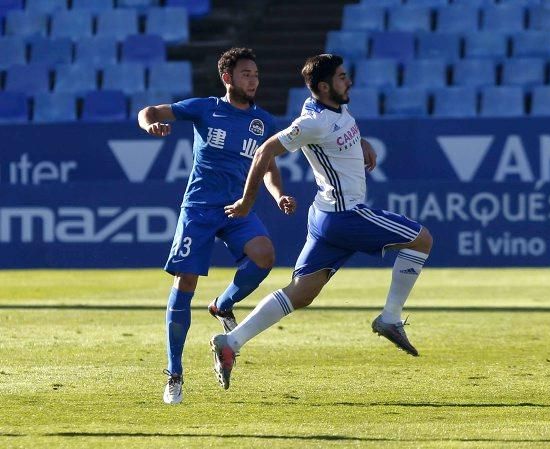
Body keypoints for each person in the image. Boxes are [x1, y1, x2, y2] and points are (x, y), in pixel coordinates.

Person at [208, 53, 434, 390]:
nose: (349, 81)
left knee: (301, 294)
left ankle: (231, 342)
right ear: (325, 86)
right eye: (343, 77)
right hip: (346, 214)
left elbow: (340, 129)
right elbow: (264, 152)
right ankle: (389, 319)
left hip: (325, 217)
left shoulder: (332, 106)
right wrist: (246, 200)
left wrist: (362, 142)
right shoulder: (311, 123)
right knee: (422, 239)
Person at [137, 47, 297, 404]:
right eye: (246, 74)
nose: (253, 81)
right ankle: (174, 372)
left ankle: (222, 306)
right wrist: (150, 123)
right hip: (198, 208)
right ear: (228, 78)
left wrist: (277, 195)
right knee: (186, 281)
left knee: (264, 255)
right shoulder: (204, 108)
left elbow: (267, 164)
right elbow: (149, 111)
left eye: (256, 75)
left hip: (236, 209)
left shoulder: (263, 123)